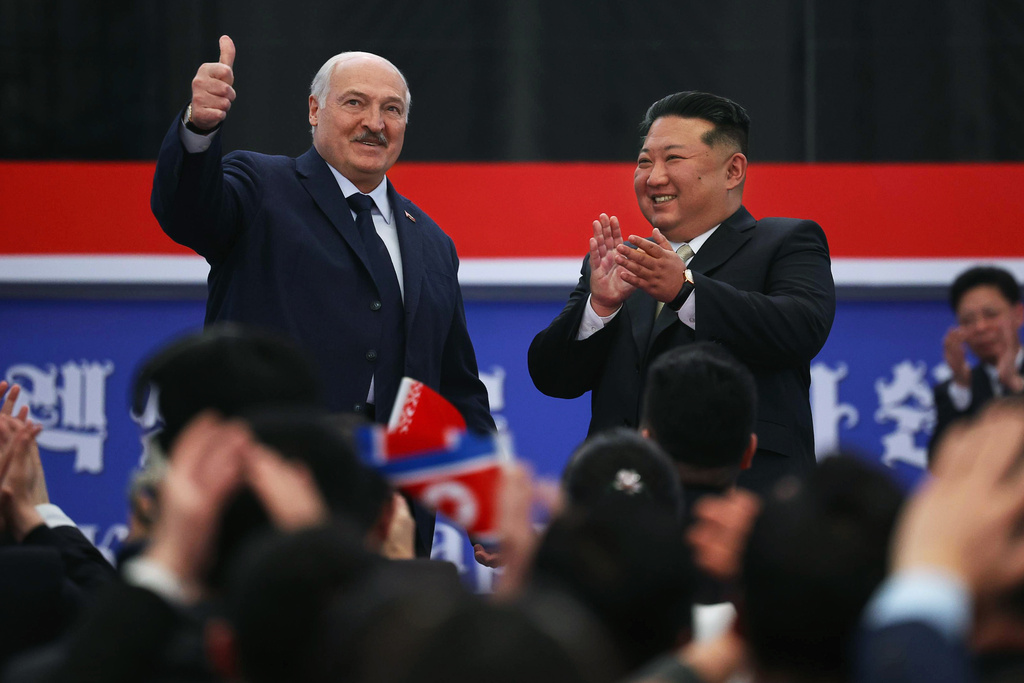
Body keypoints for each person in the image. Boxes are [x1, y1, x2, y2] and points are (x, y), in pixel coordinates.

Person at [151, 36, 493, 434]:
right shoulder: (261, 187)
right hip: (271, 463)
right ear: (315, 110)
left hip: (386, 478)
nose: (375, 124)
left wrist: (486, 479)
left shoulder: (433, 242)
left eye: (392, 109)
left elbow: (457, 387)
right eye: (355, 103)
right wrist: (199, 127)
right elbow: (186, 213)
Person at [529, 91, 835, 495]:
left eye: (673, 159)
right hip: (623, 508)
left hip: (740, 504)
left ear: (733, 171)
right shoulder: (622, 261)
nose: (654, 177)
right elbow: (554, 378)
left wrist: (685, 291)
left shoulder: (786, 242)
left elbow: (798, 330)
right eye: (644, 162)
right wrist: (599, 307)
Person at [930, 266, 1024, 457]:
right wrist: (961, 386)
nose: (980, 327)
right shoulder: (956, 391)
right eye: (968, 320)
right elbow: (940, 462)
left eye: (991, 314)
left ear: (1018, 315)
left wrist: (1015, 385)